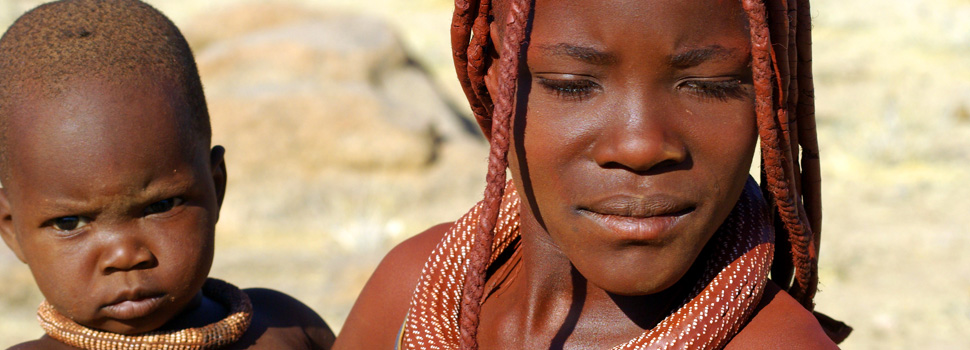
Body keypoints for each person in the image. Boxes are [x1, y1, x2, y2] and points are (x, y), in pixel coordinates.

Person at [335, 0, 851, 348]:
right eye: (571, 84)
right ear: (492, 78)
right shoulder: (412, 288)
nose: (641, 146)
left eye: (711, 84)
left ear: (771, 93)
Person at [0, 0, 335, 348]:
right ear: (12, 228)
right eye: (70, 223)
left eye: (161, 205)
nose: (125, 255)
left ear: (215, 187)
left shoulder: (286, 328)